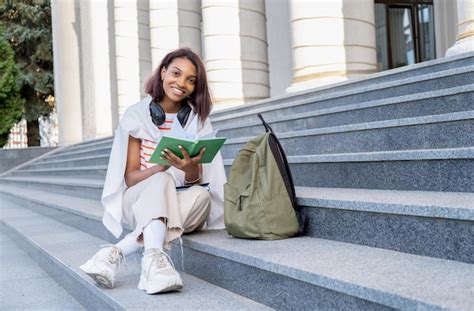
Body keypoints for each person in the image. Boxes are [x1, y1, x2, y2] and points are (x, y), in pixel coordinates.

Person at [79, 48, 226, 294]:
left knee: (200, 196)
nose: (182, 83)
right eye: (176, 74)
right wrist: (161, 167)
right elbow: (131, 177)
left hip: (179, 201)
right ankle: (154, 264)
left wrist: (190, 168)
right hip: (137, 198)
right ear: (163, 72)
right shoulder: (137, 116)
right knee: (162, 179)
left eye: (191, 80)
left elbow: (196, 180)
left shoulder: (197, 120)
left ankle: (116, 252)